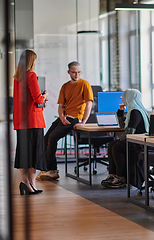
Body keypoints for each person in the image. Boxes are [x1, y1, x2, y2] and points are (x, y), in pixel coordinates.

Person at [36, 61, 93, 181]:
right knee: (46, 137)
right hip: (65, 117)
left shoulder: (85, 84)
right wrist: (61, 117)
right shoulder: (65, 86)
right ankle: (51, 169)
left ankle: (49, 169)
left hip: (75, 118)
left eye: (79, 72)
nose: (76, 75)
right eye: (74, 72)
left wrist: (83, 121)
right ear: (69, 72)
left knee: (52, 138)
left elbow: (88, 104)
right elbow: (61, 105)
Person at [13, 49, 48, 195]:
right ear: (31, 62)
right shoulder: (31, 75)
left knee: (24, 153)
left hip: (21, 121)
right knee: (35, 153)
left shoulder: (17, 78)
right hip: (33, 121)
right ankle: (31, 183)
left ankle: (25, 182)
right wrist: (44, 96)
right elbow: (38, 99)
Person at [101, 89, 149, 189]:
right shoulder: (133, 110)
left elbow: (129, 131)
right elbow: (123, 127)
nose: (122, 98)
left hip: (138, 142)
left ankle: (121, 177)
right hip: (133, 139)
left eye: (123, 96)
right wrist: (121, 112)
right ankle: (112, 175)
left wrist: (121, 140)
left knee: (117, 146)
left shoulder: (136, 111)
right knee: (112, 145)